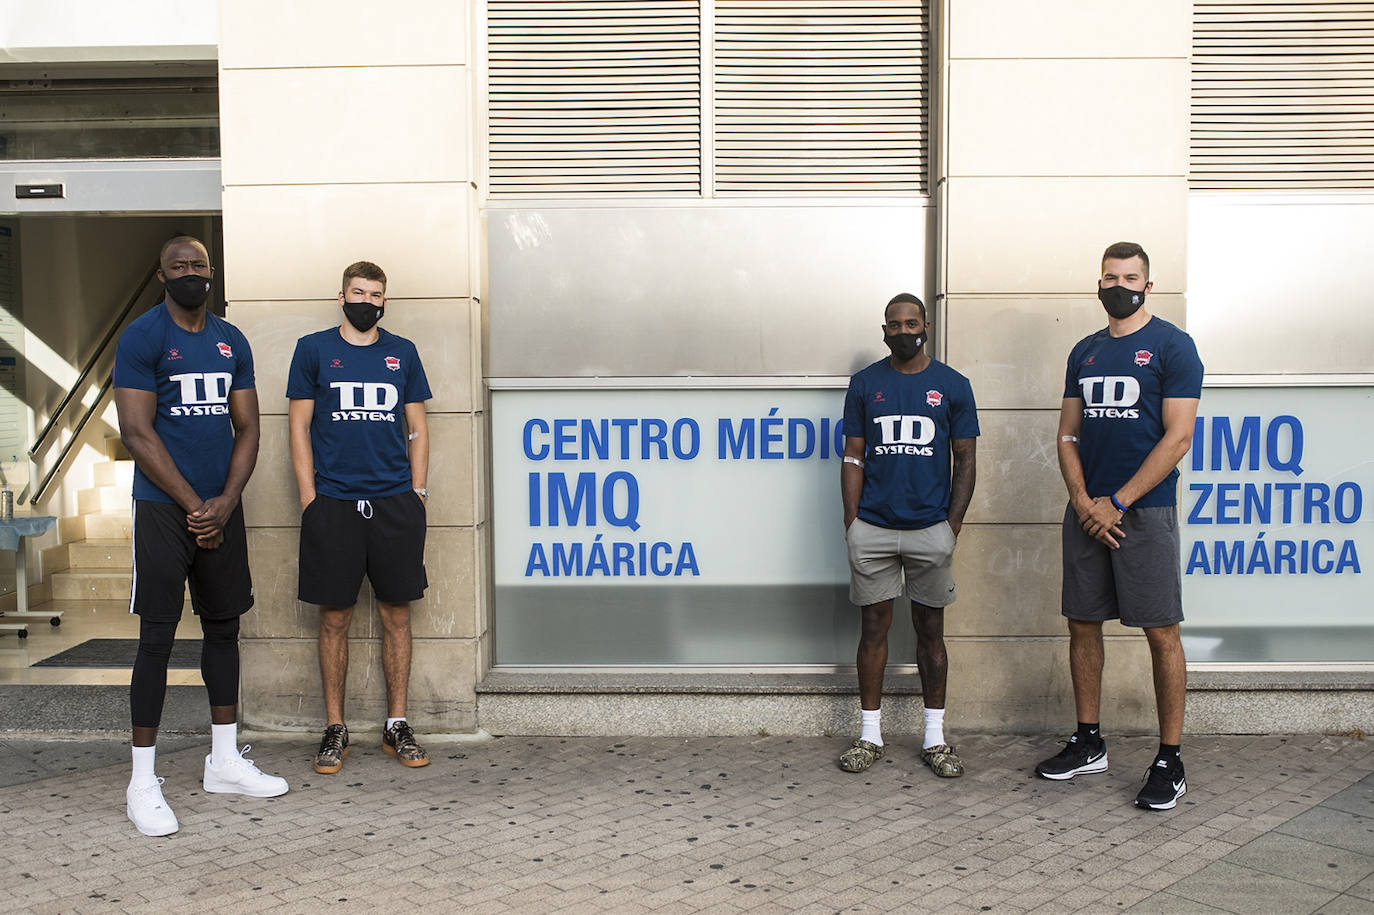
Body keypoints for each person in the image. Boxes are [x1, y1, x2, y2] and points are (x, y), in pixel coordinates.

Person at [114, 235, 288, 838]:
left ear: (211, 273)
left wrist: (226, 503)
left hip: (221, 507)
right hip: (165, 510)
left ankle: (223, 760)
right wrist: (195, 507)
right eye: (178, 267)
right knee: (156, 639)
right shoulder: (141, 338)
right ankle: (142, 781)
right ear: (161, 274)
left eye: (199, 266)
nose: (190, 274)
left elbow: (249, 426)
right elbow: (136, 432)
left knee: (224, 630)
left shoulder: (230, 339)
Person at [1035, 241, 1203, 811]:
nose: (1119, 285)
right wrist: (1085, 501)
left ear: (1148, 285)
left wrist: (1119, 502)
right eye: (1110, 276)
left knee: (1161, 632)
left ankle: (1169, 758)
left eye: (1130, 277)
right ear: (1098, 283)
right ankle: (1089, 742)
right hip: (1087, 512)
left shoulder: (1174, 347)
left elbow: (1177, 437)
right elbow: (1066, 434)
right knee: (1083, 624)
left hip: (1145, 513)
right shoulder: (1083, 352)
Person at [287, 261, 433, 774]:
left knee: (397, 616)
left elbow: (418, 426)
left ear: (384, 301)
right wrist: (311, 498)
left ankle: (397, 725)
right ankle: (335, 728)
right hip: (333, 505)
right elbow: (299, 428)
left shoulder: (403, 353)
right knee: (334, 619)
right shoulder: (314, 350)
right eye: (358, 292)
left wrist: (417, 493)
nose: (366, 301)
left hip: (395, 503)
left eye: (375, 295)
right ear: (341, 295)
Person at [837, 293, 979, 777]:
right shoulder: (865, 384)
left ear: (927, 325)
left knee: (930, 634)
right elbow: (853, 456)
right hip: (873, 528)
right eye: (894, 324)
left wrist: (951, 525)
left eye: (911, 323)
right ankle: (869, 735)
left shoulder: (953, 385)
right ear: (884, 329)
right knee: (872, 630)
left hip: (929, 530)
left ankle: (935, 739)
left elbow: (967, 460)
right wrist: (852, 521)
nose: (903, 331)